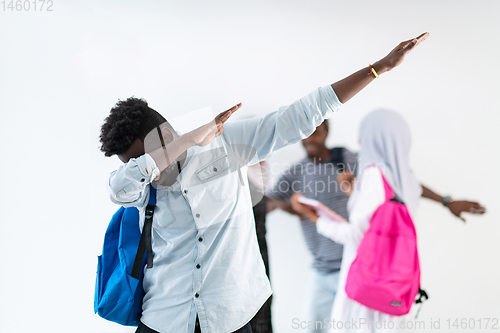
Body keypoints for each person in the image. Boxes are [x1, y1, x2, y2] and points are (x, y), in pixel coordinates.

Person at [99, 32, 430, 333]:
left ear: (165, 134)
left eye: (147, 158)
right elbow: (118, 187)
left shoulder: (227, 144)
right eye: (139, 164)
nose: (148, 170)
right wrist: (182, 143)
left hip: (231, 315)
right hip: (164, 318)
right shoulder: (140, 177)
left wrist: (377, 69)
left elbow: (302, 116)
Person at [290, 110, 486, 333]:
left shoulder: (374, 176)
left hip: (366, 288)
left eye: (363, 134)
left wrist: (313, 216)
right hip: (394, 285)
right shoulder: (404, 179)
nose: (360, 141)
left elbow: (356, 236)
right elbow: (381, 222)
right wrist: (353, 192)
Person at [266, 119, 358, 333]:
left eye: (316, 132)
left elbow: (398, 181)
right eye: (305, 133)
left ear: (326, 132)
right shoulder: (295, 173)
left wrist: (445, 201)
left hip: (352, 267)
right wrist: (291, 207)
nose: (310, 138)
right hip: (322, 271)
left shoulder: (348, 160)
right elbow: (267, 203)